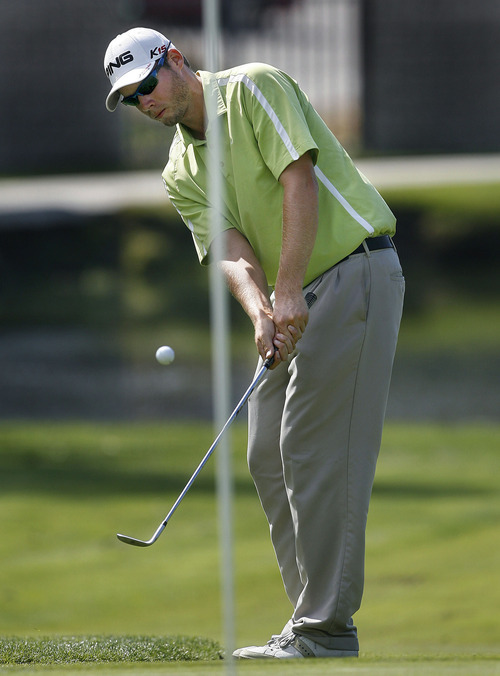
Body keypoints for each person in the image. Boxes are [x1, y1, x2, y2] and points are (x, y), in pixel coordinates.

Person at [104, 27, 405, 660]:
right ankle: (312, 625)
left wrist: (288, 288)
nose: (144, 103)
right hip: (298, 294)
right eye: (130, 100)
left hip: (354, 271)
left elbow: (300, 181)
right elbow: (230, 250)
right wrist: (261, 308)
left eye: (146, 85)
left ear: (176, 61)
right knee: (267, 451)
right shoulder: (178, 168)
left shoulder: (251, 88)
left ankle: (325, 629)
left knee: (310, 447)